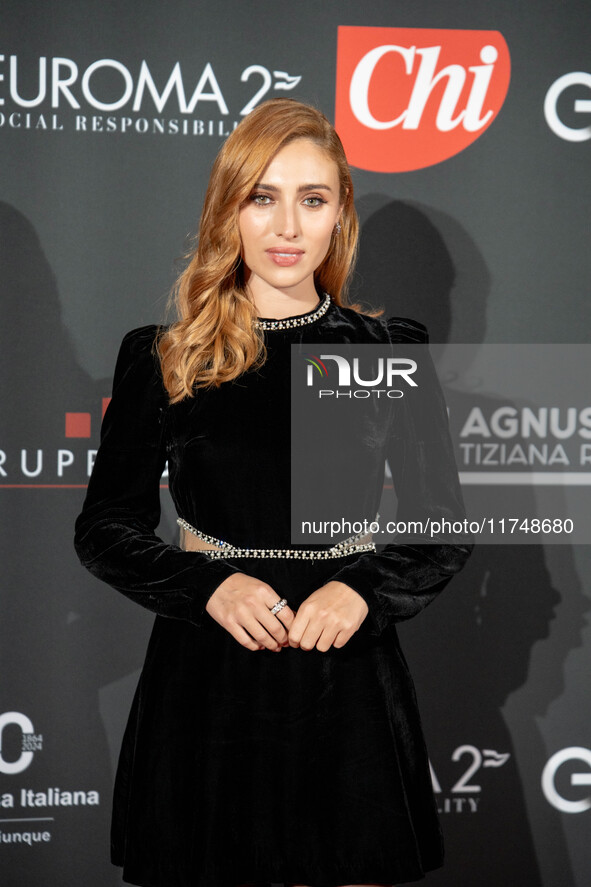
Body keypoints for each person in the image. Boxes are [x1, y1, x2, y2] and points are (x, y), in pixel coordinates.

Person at [74, 97, 472, 887]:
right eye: (263, 196)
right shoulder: (164, 355)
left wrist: (360, 589)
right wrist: (205, 585)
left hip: (345, 677)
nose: (287, 226)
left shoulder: (388, 351)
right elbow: (106, 526)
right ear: (230, 209)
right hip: (207, 676)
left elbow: (441, 527)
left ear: (338, 216)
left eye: (311, 199)